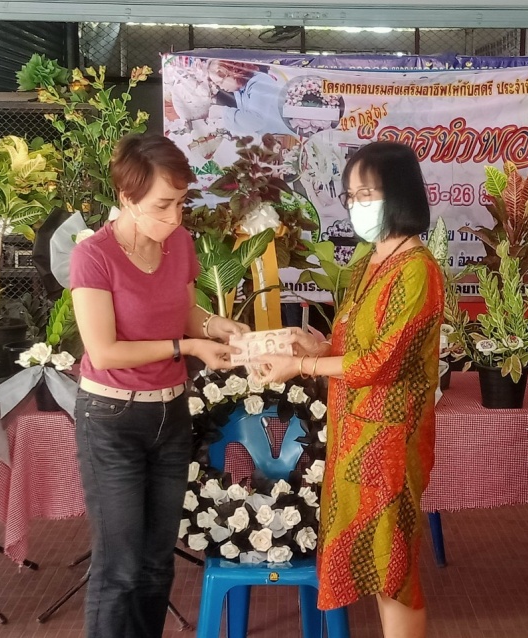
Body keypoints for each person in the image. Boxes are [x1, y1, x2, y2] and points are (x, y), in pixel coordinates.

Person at [255, 141, 444, 638]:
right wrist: (314, 345)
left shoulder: (416, 269)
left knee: (394, 573)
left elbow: (381, 362)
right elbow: (352, 347)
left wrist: (299, 366)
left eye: (367, 194)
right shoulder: (367, 263)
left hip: (390, 442)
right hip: (353, 435)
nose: (357, 205)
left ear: (399, 194)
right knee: (372, 564)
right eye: (351, 195)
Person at [69, 133, 246, 638]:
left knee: (155, 565)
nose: (175, 216)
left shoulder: (179, 244)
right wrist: (187, 348)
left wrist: (216, 326)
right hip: (112, 419)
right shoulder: (94, 256)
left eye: (181, 202)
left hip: (170, 414)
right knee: (119, 569)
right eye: (163, 205)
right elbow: (104, 352)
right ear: (127, 198)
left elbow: (185, 311)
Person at [208, 59, 293, 136]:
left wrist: (222, 111)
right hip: (273, 137)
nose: (220, 87)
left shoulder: (259, 82)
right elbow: (247, 122)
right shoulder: (239, 89)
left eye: (220, 82)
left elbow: (256, 121)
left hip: (288, 137)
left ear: (232, 72)